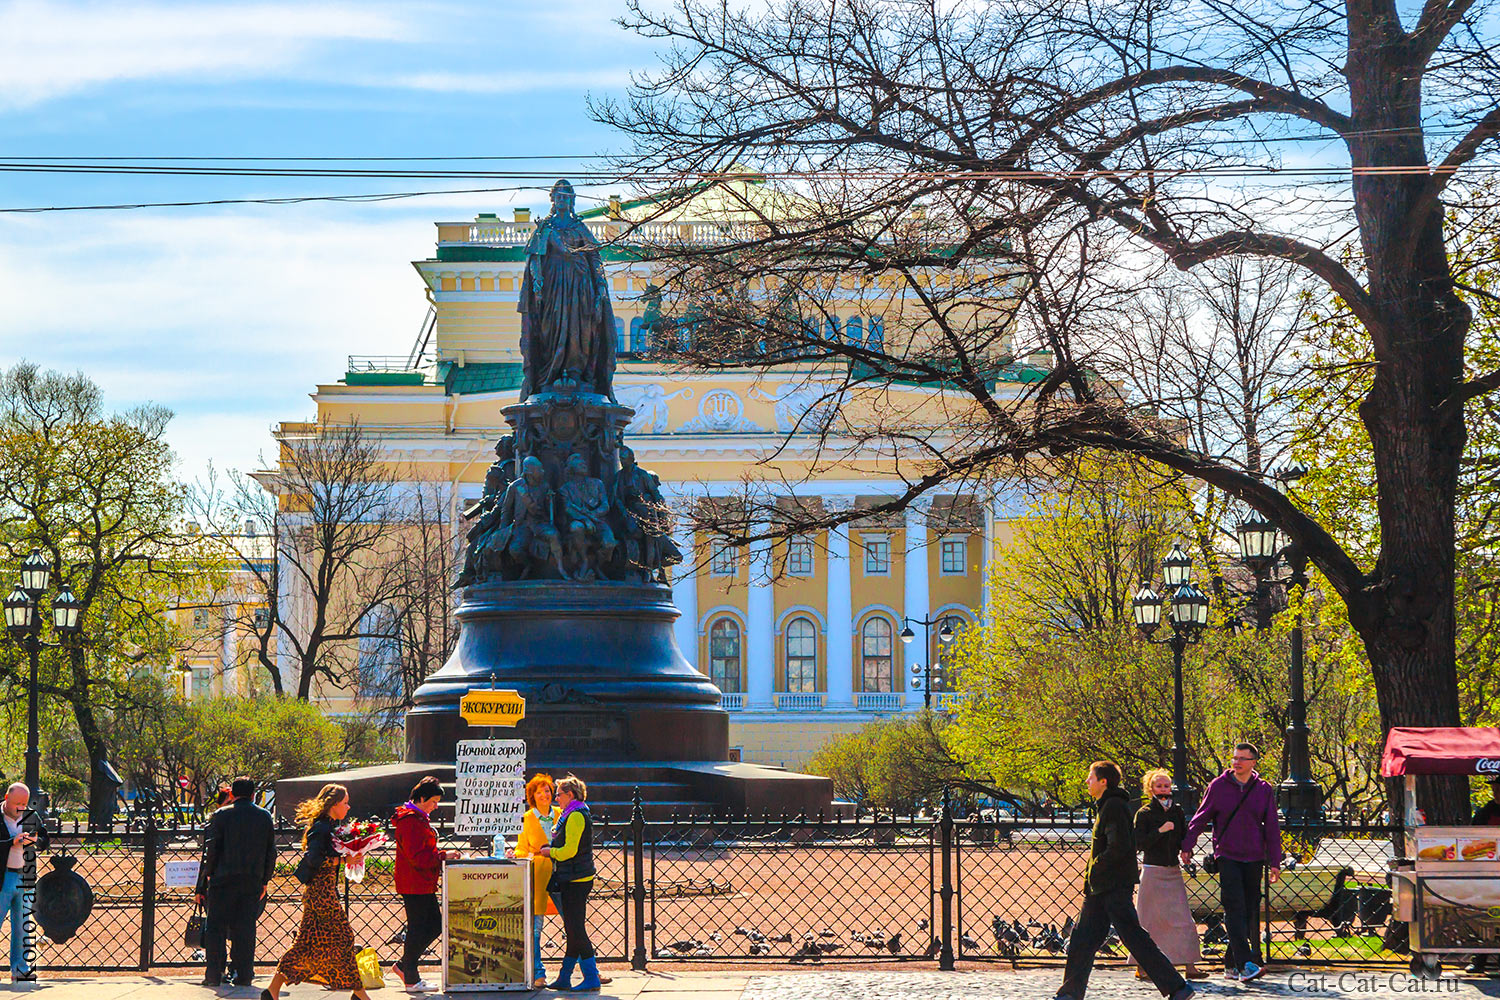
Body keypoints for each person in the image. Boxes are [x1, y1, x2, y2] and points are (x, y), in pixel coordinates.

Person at [1056, 762, 1192, 1000]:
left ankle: (1177, 987)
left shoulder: (1115, 807)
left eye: (1091, 777)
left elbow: (1119, 846)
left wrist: (1096, 868)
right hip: (1102, 886)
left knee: (1133, 937)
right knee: (1083, 939)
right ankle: (1070, 993)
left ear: (1103, 781)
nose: (1087, 782)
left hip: (1111, 885)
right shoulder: (1110, 805)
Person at [1181, 743, 1282, 982]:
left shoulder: (1263, 789)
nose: (1236, 763)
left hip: (1255, 856)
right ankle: (1246, 964)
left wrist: (1275, 861)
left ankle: (1230, 965)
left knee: (1248, 910)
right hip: (1227, 855)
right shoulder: (1218, 786)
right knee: (1234, 906)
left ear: (1253, 762)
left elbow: (1272, 827)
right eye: (1234, 758)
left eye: (1242, 759)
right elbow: (1201, 817)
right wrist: (1188, 844)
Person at [262, 784, 373, 1000]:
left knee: (305, 944)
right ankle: (360, 995)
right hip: (321, 894)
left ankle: (272, 990)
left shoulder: (328, 826)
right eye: (345, 803)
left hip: (322, 892)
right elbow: (313, 859)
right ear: (333, 804)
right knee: (344, 937)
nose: (348, 807)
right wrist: (343, 859)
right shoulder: (321, 828)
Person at [194, 777, 276, 988]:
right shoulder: (264, 816)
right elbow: (270, 852)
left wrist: (208, 874)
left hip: (222, 879)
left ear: (232, 794)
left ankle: (213, 975)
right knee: (245, 928)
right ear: (253, 794)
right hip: (251, 880)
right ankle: (244, 974)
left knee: (216, 928)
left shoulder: (221, 815)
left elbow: (212, 849)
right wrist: (265, 880)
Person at [1132, 770, 1205, 981]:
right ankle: (1142, 965)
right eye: (1159, 786)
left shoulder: (1177, 810)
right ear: (1151, 789)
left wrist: (1186, 850)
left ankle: (1190, 965)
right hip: (1153, 869)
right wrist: (1161, 831)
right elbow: (1139, 843)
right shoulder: (1144, 813)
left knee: (1182, 918)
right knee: (1148, 919)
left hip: (1172, 868)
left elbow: (1183, 835)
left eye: (1166, 786)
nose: (1164, 789)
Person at [390, 776, 460, 993]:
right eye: (433, 801)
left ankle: (406, 968)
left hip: (418, 881)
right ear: (421, 799)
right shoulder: (411, 820)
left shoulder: (415, 818)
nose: (436, 806)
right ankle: (409, 973)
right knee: (422, 927)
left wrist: (438, 856)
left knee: (427, 926)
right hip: (415, 882)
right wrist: (441, 856)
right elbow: (417, 856)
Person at [536, 774, 602, 992]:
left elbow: (570, 850)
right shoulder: (571, 813)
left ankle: (591, 977)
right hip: (572, 877)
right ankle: (565, 977)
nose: (556, 798)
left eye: (559, 794)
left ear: (570, 795)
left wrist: (549, 852)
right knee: (572, 929)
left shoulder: (575, 816)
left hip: (576, 878)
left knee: (576, 929)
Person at [513, 773, 562, 988]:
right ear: (532, 795)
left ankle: (590, 970)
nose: (544, 795)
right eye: (539, 791)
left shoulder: (563, 814)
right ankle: (537, 972)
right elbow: (521, 848)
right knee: (535, 928)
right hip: (539, 878)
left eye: (547, 790)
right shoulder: (527, 818)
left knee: (573, 924)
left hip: (563, 875)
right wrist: (530, 855)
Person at [0, 783, 47, 984]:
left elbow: (45, 838)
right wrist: (12, 842)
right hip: (3, 878)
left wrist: (35, 841)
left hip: (25, 877)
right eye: (17, 803)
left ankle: (19, 968)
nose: (21, 807)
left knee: (22, 927)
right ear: (6, 798)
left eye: (24, 803)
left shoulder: (30, 816)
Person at [1465, 775, 1500, 975]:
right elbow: (1473, 837)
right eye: (1495, 788)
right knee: (1484, 914)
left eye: (1498, 788)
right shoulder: (1485, 811)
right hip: (1487, 871)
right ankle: (1479, 958)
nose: (1496, 792)